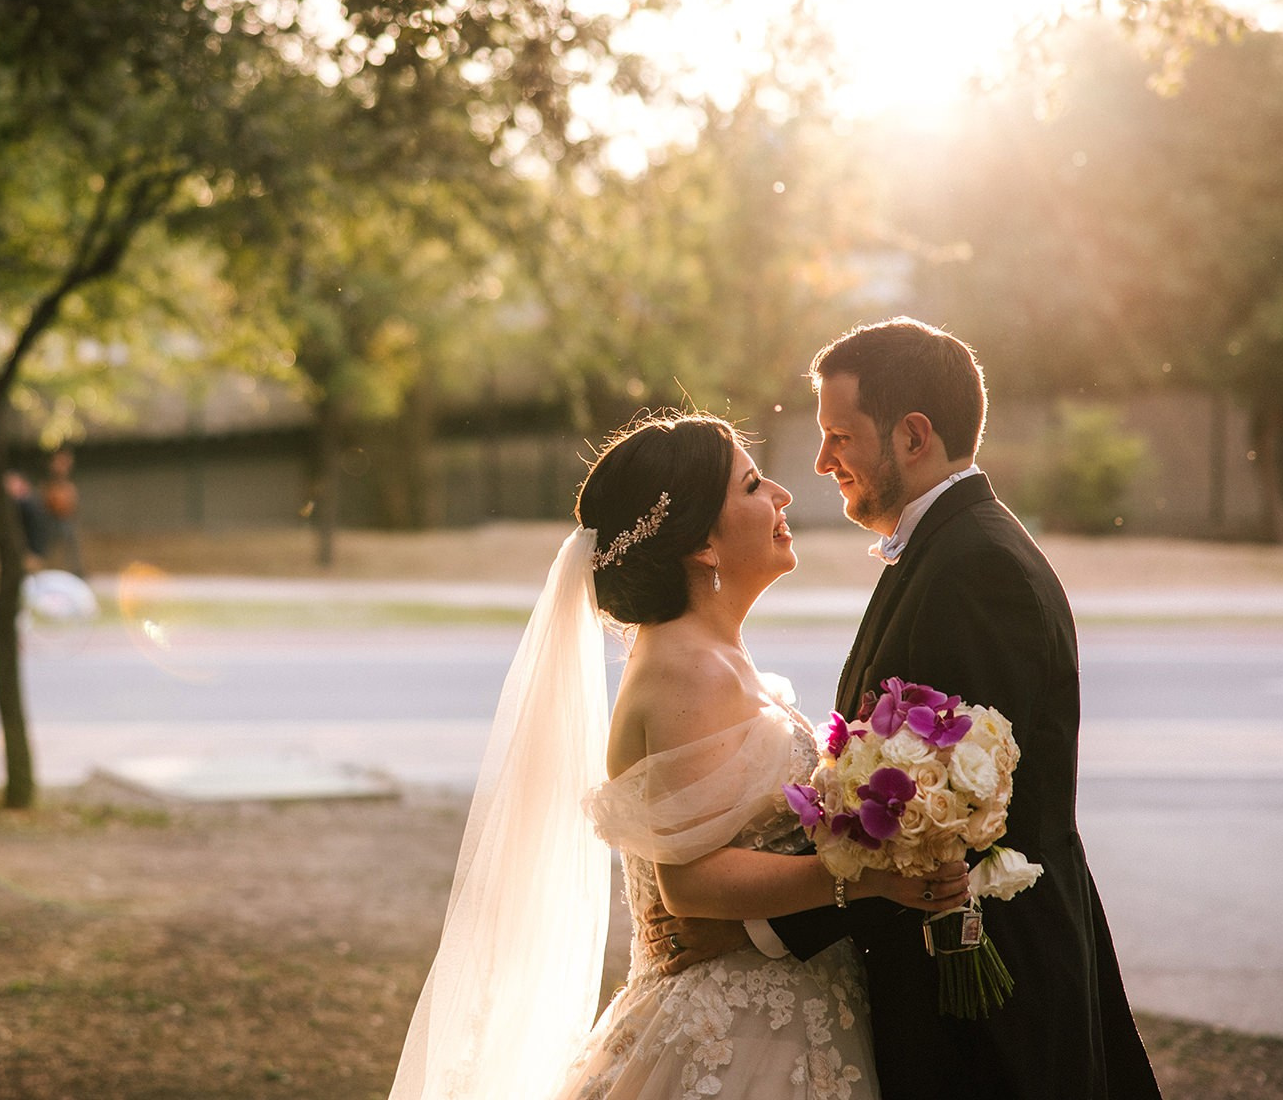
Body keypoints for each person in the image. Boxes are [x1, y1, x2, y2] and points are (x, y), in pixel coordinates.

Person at [648, 320, 1161, 1099]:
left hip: (991, 999)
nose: (822, 463)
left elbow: (947, 823)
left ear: (913, 435)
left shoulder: (976, 568)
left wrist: (746, 927)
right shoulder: (945, 551)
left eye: (839, 436)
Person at [388, 412, 965, 1100]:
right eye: (752, 486)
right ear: (701, 544)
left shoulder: (710, 653)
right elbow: (689, 886)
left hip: (785, 1011)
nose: (781, 494)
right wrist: (867, 880)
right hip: (734, 1039)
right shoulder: (683, 670)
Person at [39, 448, 85, 578]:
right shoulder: (49, 483)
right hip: (52, 518)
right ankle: (48, 570)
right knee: (50, 546)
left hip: (66, 519)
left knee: (71, 546)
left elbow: (73, 503)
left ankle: (75, 572)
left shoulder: (68, 485)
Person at [4, 470, 55, 572]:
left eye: (11, 484)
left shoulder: (25, 504)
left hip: (32, 550)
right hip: (35, 549)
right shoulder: (31, 501)